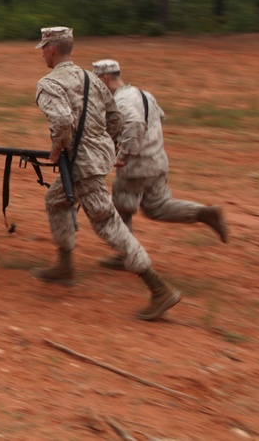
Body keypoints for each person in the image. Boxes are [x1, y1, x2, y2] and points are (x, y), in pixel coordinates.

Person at [32, 27, 181, 321]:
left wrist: (56, 148)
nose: (42, 55)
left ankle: (158, 288)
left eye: (42, 49)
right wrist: (106, 147)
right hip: (96, 158)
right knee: (56, 201)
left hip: (80, 164)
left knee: (107, 223)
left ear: (50, 49)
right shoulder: (91, 78)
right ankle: (64, 265)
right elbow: (115, 117)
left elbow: (61, 119)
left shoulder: (48, 83)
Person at [91, 59, 228, 269]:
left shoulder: (120, 101)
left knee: (119, 209)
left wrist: (124, 153)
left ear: (105, 79)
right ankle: (202, 213)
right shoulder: (144, 94)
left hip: (136, 166)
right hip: (158, 160)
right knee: (157, 207)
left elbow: (135, 123)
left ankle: (126, 256)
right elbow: (158, 118)